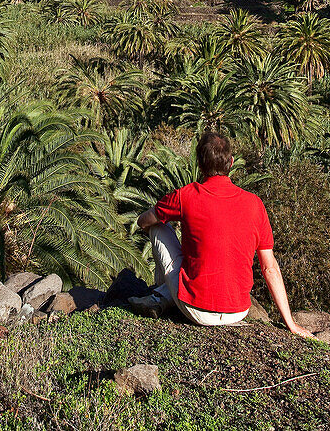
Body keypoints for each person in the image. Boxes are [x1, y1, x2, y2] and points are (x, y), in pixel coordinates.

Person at [129, 131, 314, 337]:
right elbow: (269, 267)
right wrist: (290, 322)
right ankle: (163, 296)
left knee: (158, 225)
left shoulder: (185, 195)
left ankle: (162, 296)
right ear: (231, 162)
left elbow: (143, 221)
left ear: (199, 163)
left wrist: (163, 217)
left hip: (195, 309)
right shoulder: (255, 204)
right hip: (238, 311)